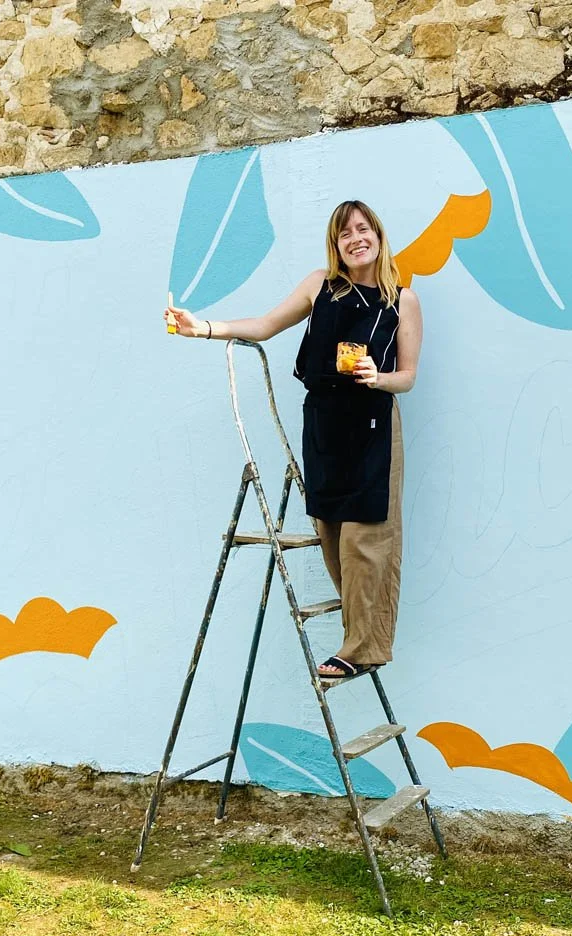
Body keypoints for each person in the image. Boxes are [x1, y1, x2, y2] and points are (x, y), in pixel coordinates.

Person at [165, 200, 423, 679]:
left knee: (367, 539)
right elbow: (266, 325)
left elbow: (407, 376)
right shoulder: (319, 285)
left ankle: (362, 648)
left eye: (362, 229)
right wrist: (203, 328)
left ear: (378, 235)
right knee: (331, 534)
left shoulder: (402, 301)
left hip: (372, 425)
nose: (356, 239)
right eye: (345, 234)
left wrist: (378, 377)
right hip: (323, 424)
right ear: (336, 245)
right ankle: (360, 638)